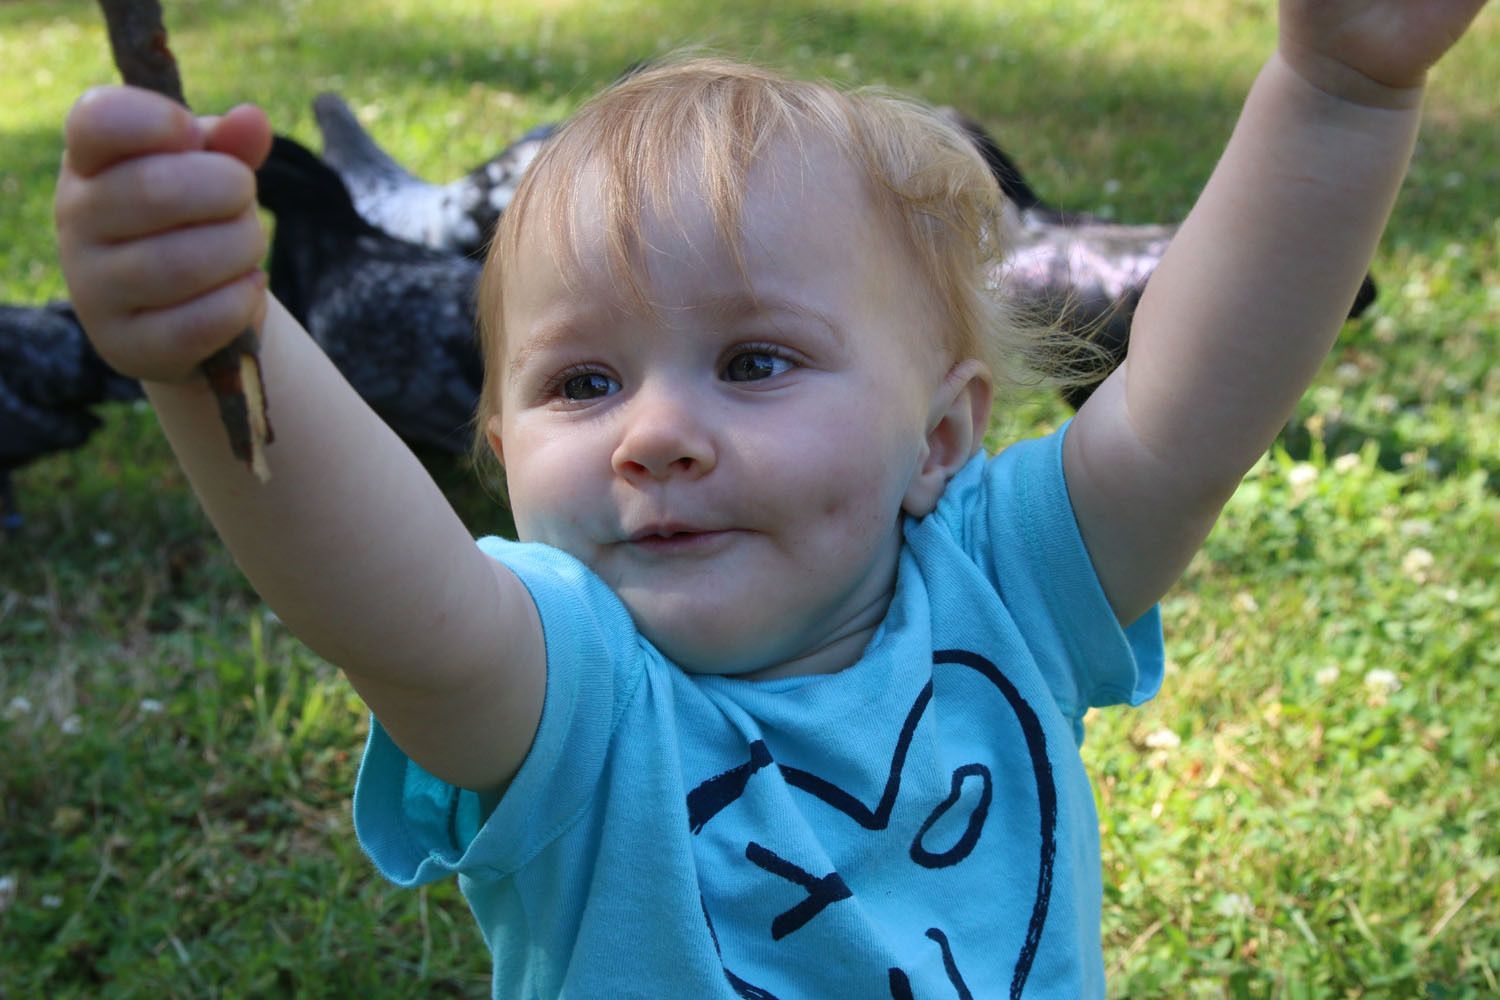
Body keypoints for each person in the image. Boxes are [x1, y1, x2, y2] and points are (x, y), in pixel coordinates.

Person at [54, 0, 1487, 994]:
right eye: (583, 384)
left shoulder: (1004, 589)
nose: (656, 435)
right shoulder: (572, 696)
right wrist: (213, 338)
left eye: (753, 362)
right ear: (497, 446)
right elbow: (388, 603)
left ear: (938, 440)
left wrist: (1341, 92)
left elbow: (1197, 402)